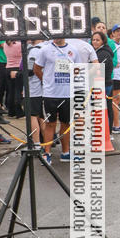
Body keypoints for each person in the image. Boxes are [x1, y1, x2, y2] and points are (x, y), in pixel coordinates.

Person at [33, 36, 80, 164]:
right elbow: (36, 68)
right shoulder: (45, 50)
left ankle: (66, 152)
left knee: (66, 124)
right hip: (50, 94)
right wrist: (46, 81)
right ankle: (47, 153)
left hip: (67, 94)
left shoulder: (73, 50)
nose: (56, 37)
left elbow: (77, 69)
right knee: (50, 124)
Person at [91, 30, 114, 133]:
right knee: (105, 108)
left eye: (97, 40)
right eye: (93, 40)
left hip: (104, 84)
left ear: (103, 41)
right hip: (102, 83)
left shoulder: (103, 53)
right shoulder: (97, 52)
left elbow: (97, 69)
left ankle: (107, 132)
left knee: (105, 108)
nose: (95, 42)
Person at [4, 36, 24, 118]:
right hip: (17, 68)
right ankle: (18, 111)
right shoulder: (19, 45)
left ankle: (11, 111)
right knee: (17, 91)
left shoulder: (6, 44)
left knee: (10, 91)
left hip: (8, 68)